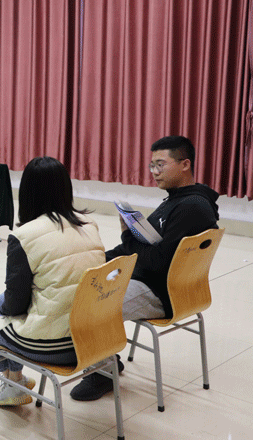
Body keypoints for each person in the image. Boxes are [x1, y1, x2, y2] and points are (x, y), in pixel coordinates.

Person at [70, 135, 220, 401]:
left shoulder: (191, 207)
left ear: (185, 164)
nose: (154, 172)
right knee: (81, 273)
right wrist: (100, 259)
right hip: (149, 277)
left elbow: (154, 261)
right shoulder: (179, 200)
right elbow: (147, 249)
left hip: (161, 291)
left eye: (160, 164)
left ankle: (103, 371)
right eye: (152, 165)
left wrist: (127, 235)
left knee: (87, 307)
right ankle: (105, 358)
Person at [0, 156, 105, 407]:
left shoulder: (25, 236)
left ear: (27, 192)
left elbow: (15, 304)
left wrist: (8, 308)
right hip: (92, 338)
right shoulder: (89, 224)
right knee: (2, 304)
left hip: (55, 346)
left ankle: (12, 382)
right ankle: (14, 380)